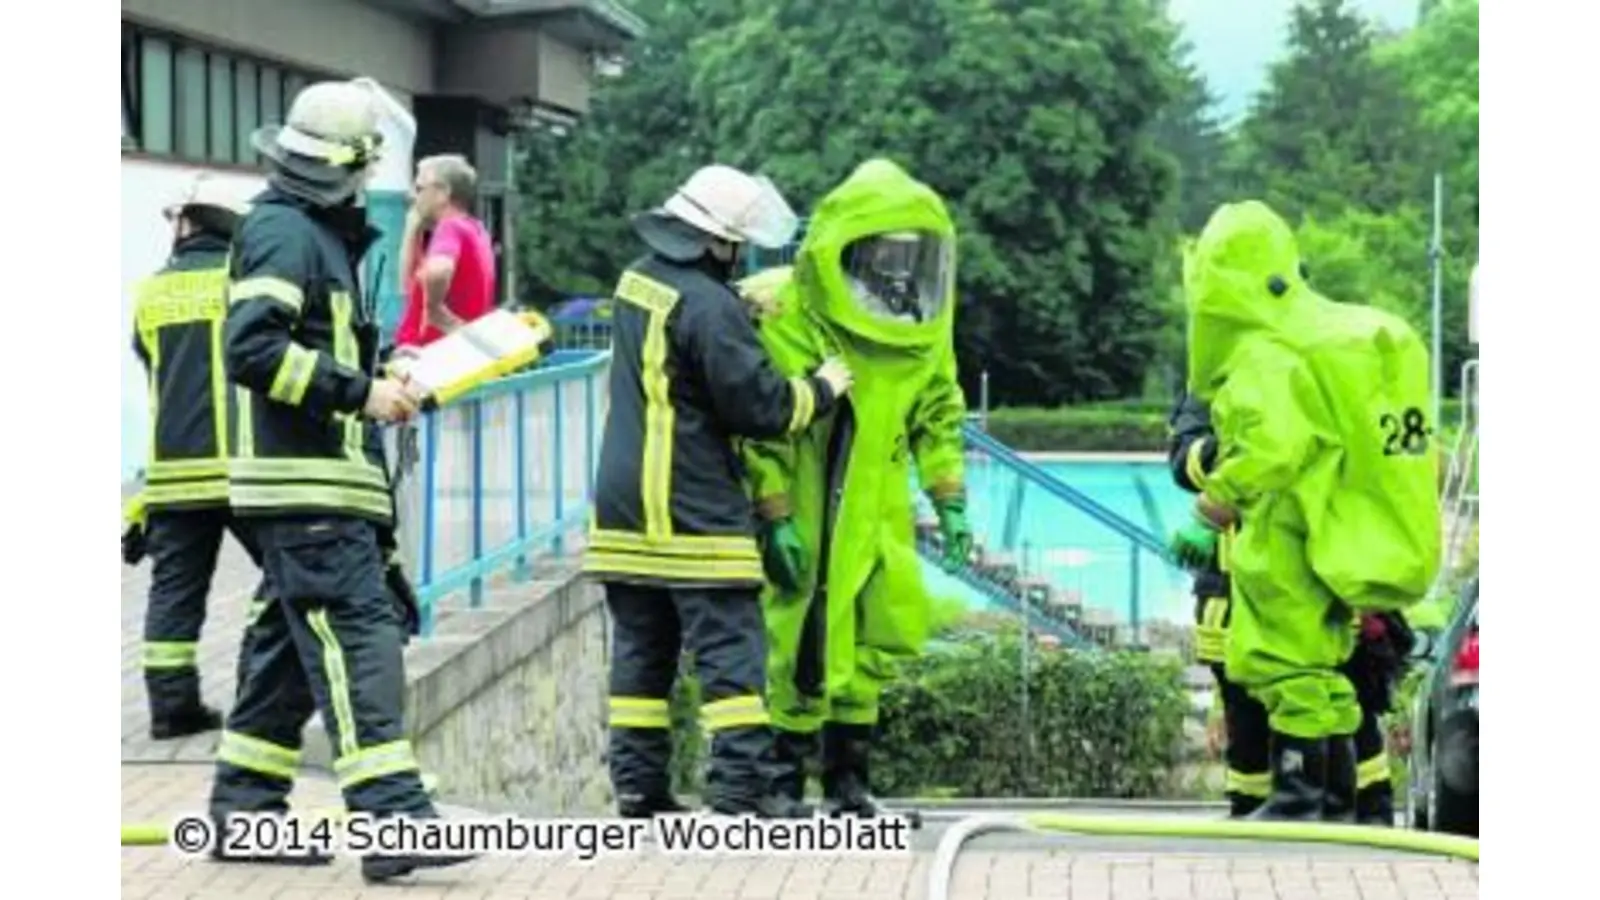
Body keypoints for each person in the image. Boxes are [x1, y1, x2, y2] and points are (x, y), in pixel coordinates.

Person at [206, 78, 471, 882]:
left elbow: (309, 347)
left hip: (310, 486)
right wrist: (362, 394)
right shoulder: (289, 234)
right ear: (357, 165)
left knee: (287, 651)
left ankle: (246, 813)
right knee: (360, 638)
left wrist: (385, 372)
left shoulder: (303, 231)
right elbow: (252, 350)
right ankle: (396, 820)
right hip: (308, 490)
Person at [581, 163, 854, 819]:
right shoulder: (710, 306)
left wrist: (737, 311)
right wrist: (823, 388)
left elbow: (684, 344)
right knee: (733, 654)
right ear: (718, 241)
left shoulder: (638, 281)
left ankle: (640, 793)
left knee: (643, 658)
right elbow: (760, 407)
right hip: (693, 505)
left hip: (623, 508)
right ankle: (739, 794)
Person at [1167, 200, 1440, 822]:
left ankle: (1300, 798)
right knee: (1315, 674)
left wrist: (1211, 506)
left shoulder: (1268, 359)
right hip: (1318, 542)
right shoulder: (1327, 344)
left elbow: (1272, 450)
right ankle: (1334, 801)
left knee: (1282, 665)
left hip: (1282, 545)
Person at [737, 158, 971, 825]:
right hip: (812, 507)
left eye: (910, 252)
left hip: (881, 512)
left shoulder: (921, 324)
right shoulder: (785, 308)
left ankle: (847, 787)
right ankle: (778, 787)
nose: (897, 266)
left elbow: (938, 412)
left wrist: (949, 497)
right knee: (799, 638)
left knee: (871, 639)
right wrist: (774, 509)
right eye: (884, 250)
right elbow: (762, 424)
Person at [1169, 390, 1412, 825]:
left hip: (1325, 589)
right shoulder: (1216, 390)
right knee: (1250, 725)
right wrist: (1252, 448)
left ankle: (1357, 812)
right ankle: (1265, 819)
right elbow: (1186, 461)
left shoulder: (1329, 378)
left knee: (1341, 700)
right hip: (1238, 599)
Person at [128, 176, 258, 740]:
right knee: (284, 577)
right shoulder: (247, 286)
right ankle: (263, 696)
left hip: (174, 475)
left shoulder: (150, 293)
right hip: (247, 469)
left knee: (174, 596)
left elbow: (146, 356)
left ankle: (171, 712)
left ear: (189, 224)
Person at [392, 154, 497, 350]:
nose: (413, 197)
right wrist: (411, 229)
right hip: (447, 353)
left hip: (431, 359)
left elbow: (438, 271)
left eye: (419, 189)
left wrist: (434, 310)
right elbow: (407, 287)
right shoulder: (474, 229)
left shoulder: (450, 228)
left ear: (443, 193)